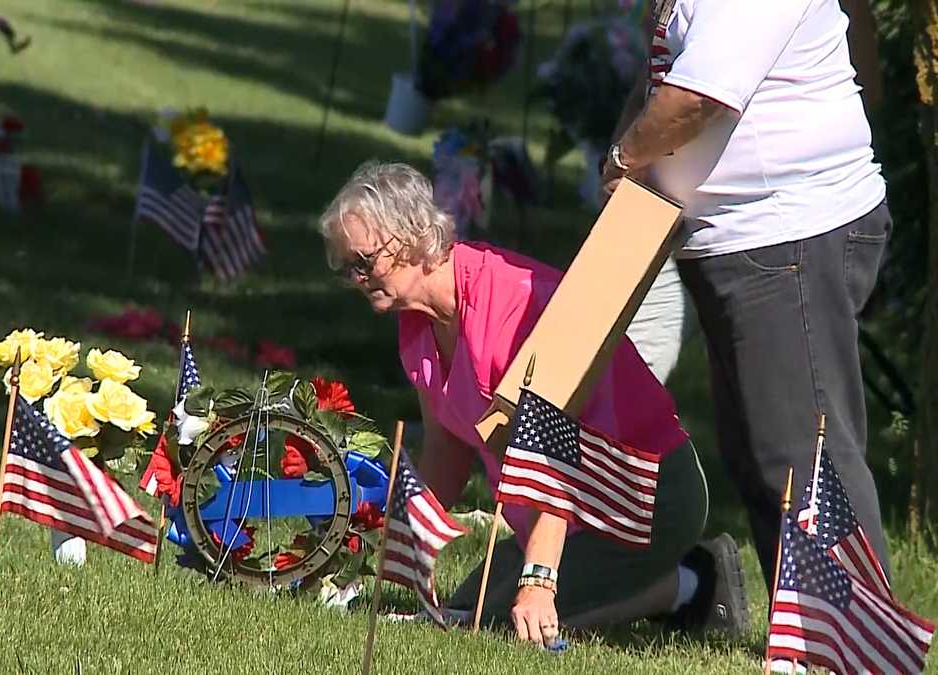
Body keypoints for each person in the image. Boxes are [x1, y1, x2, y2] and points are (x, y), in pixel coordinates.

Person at [318, 161, 750, 646]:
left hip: (639, 495)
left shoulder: (511, 302)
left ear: (413, 235)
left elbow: (552, 457)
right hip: (563, 508)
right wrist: (386, 547)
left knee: (502, 625)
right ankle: (652, 581)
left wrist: (539, 582)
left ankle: (695, 583)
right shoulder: (416, 322)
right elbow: (445, 453)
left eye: (364, 262)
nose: (357, 279)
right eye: (346, 269)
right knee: (468, 608)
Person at [600, 0, 893, 595]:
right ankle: (806, 630)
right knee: (760, 456)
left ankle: (859, 631)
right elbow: (665, 73)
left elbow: (700, 96)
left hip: (789, 234)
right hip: (746, 242)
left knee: (805, 459)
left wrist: (624, 159)